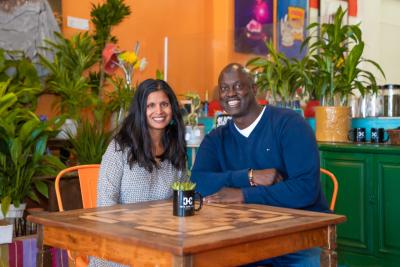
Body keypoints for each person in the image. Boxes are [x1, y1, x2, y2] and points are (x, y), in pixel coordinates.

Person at [191, 63, 329, 266]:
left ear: (254, 89)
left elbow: (305, 189)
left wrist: (243, 195)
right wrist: (249, 176)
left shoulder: (289, 124)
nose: (230, 93)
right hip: (243, 239)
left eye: (238, 86)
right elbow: (197, 182)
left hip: (299, 238)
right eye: (224, 88)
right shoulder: (216, 138)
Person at [90, 79, 187, 267]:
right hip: (118, 247)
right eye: (151, 105)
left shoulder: (176, 150)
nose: (159, 111)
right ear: (140, 111)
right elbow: (105, 206)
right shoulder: (119, 148)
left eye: (164, 104)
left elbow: (180, 201)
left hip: (161, 245)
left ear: (172, 109)